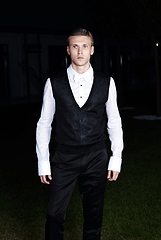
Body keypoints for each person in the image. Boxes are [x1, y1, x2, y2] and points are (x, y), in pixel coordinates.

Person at [36, 28, 123, 240]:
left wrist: (116, 158)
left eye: (85, 46)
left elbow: (114, 121)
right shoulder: (54, 83)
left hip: (96, 156)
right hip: (64, 158)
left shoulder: (107, 82)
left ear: (92, 50)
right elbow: (44, 123)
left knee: (93, 216)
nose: (80, 51)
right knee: (54, 214)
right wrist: (43, 161)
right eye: (75, 46)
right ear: (68, 50)